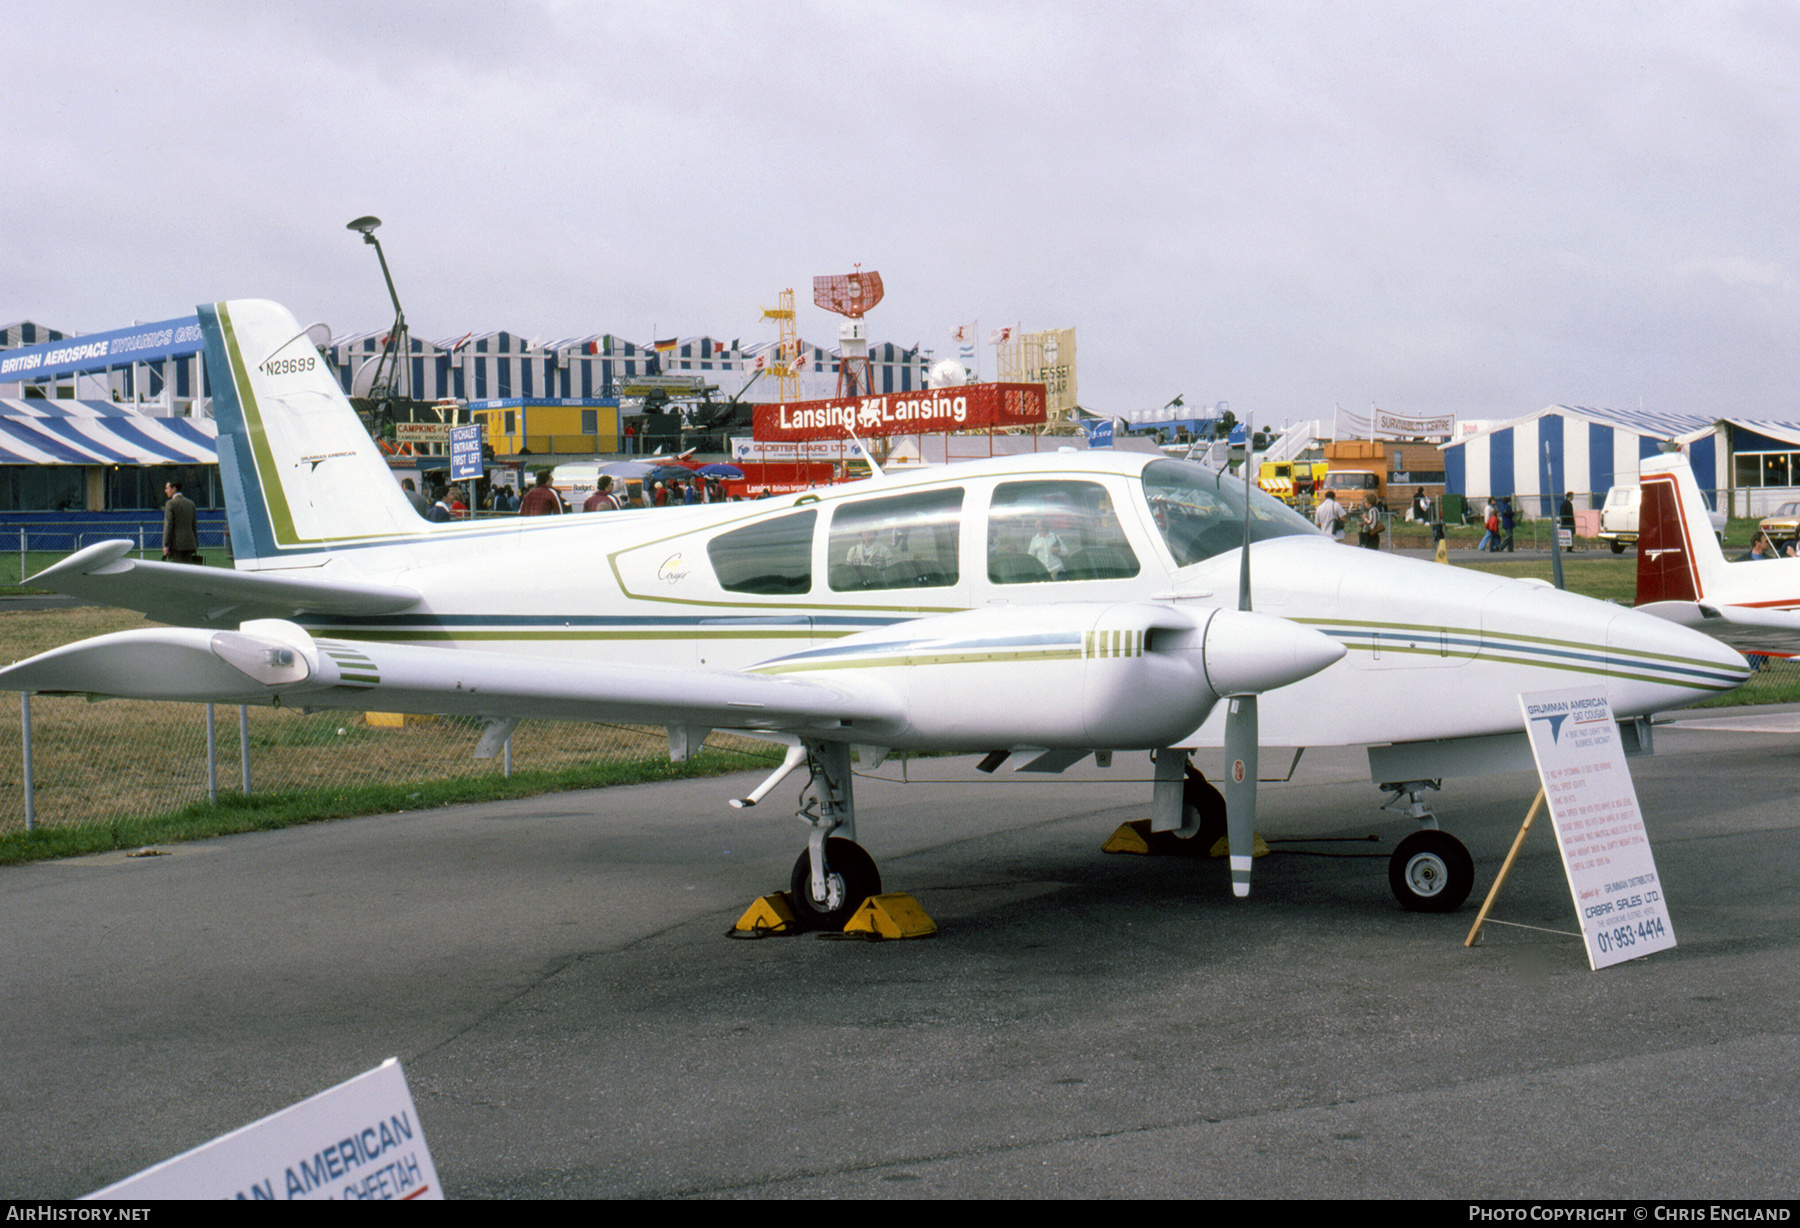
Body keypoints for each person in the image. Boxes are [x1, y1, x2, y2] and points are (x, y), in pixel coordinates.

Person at [161, 480, 201, 564]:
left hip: (176, 545)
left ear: (174, 489)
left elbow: (168, 525)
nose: (165, 491)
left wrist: (165, 545)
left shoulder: (170, 504)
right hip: (190, 544)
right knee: (187, 572)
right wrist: (196, 543)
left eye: (167, 488)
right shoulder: (191, 504)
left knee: (175, 572)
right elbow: (194, 526)